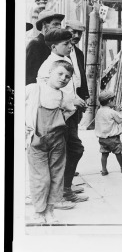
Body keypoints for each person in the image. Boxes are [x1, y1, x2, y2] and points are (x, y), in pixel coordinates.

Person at [38, 29, 89, 204]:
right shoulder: (48, 65)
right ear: (54, 46)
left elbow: (70, 87)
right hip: (58, 117)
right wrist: (71, 99)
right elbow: (48, 93)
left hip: (69, 114)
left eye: (70, 43)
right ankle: (62, 191)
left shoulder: (65, 59)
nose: (70, 45)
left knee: (68, 151)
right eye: (65, 44)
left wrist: (76, 98)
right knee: (72, 150)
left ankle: (65, 187)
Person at [25, 60, 76, 223]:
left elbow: (70, 110)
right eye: (60, 74)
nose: (63, 78)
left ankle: (50, 211)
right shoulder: (34, 89)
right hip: (36, 141)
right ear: (50, 73)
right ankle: (39, 211)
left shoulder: (64, 96)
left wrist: (60, 118)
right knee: (41, 178)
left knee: (56, 176)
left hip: (57, 142)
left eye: (67, 77)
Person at [65, 20, 89, 178]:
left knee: (73, 135)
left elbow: (81, 75)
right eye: (73, 32)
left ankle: (69, 170)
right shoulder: (60, 51)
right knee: (71, 142)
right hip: (65, 102)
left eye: (80, 33)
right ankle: (66, 174)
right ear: (66, 30)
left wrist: (85, 96)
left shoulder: (78, 52)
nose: (76, 36)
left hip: (77, 100)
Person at [26, 9, 65, 85]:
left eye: (60, 24)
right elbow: (30, 75)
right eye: (55, 24)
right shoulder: (35, 44)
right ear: (44, 25)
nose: (59, 27)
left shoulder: (53, 45)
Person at [95, 91, 122, 175]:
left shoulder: (99, 111)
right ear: (109, 101)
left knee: (104, 153)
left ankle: (104, 170)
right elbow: (119, 120)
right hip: (113, 138)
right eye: (113, 101)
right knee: (118, 152)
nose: (114, 102)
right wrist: (118, 111)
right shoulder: (111, 112)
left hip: (102, 138)